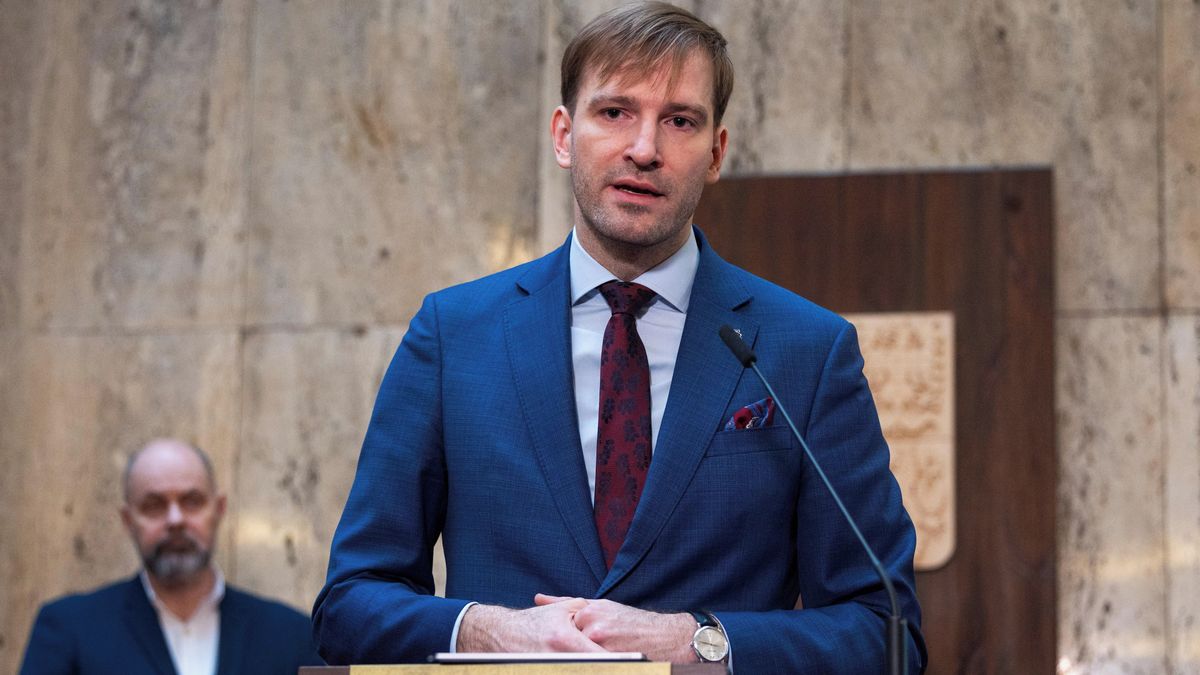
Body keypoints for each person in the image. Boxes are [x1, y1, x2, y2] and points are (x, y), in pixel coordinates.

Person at [313, 2, 926, 672]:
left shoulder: (806, 349)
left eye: (680, 120)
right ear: (563, 136)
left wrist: (701, 642)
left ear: (716, 152)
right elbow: (350, 602)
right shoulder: (453, 336)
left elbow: (885, 630)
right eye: (614, 112)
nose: (644, 149)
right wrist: (489, 631)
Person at [19, 439, 323, 675]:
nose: (175, 520)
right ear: (128, 520)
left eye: (192, 501)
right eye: (154, 505)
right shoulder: (68, 629)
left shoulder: (291, 635)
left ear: (218, 510)